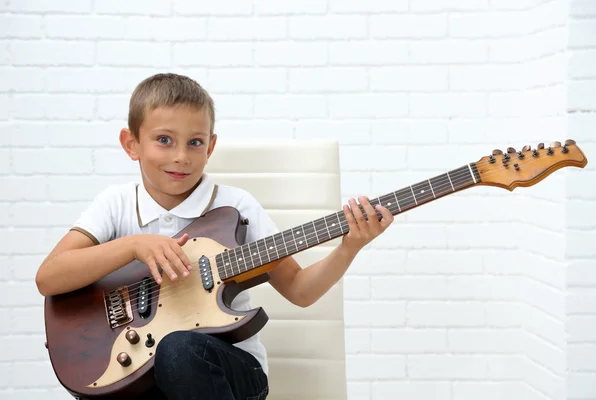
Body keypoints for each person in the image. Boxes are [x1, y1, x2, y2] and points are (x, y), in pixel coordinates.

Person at [35, 73, 394, 400]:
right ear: (132, 144)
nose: (181, 156)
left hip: (230, 371)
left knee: (178, 350)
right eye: (164, 140)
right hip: (144, 377)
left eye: (195, 142)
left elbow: (299, 290)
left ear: (210, 147)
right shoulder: (115, 204)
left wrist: (350, 247)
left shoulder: (236, 207)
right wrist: (133, 245)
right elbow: (49, 277)